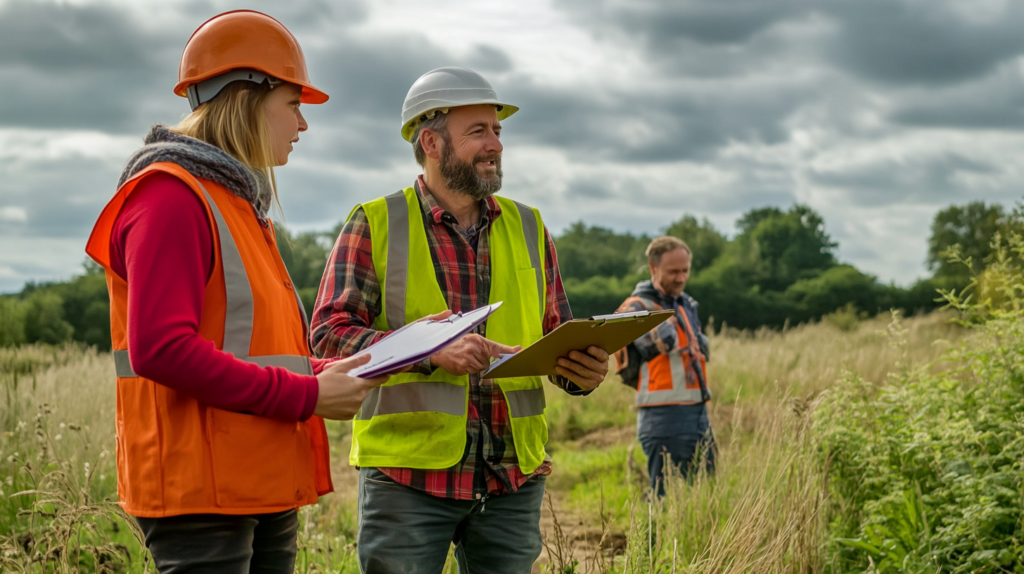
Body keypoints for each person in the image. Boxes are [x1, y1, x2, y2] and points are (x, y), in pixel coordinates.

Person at [84, 11, 388, 572]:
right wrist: (306, 398)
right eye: (293, 104)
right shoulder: (170, 198)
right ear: (247, 97)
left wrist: (321, 377)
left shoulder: (234, 203)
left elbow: (245, 344)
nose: (302, 124)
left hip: (254, 475)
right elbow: (160, 348)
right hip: (201, 488)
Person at [310, 66, 611, 573]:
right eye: (479, 131)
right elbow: (329, 336)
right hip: (408, 479)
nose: (495, 144)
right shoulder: (375, 222)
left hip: (512, 475)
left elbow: (555, 336)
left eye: (498, 131)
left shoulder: (531, 226)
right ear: (431, 141)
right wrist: (429, 352)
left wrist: (580, 369)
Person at [614, 236, 714, 497]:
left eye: (685, 271)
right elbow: (646, 350)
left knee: (705, 491)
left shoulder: (687, 304)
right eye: (673, 272)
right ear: (652, 268)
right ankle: (651, 539)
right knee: (663, 497)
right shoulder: (636, 308)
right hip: (662, 415)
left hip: (698, 410)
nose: (681, 278)